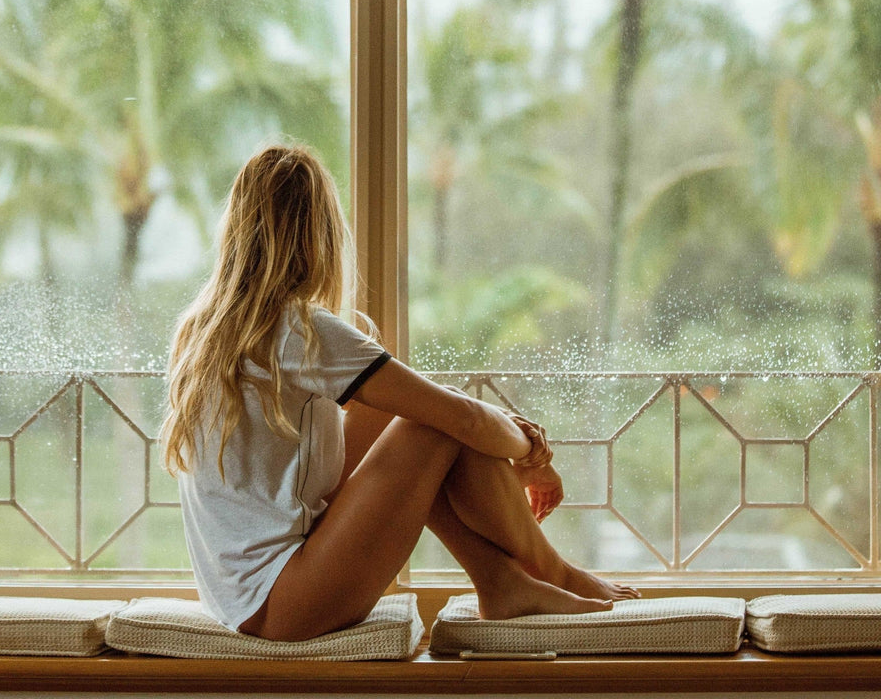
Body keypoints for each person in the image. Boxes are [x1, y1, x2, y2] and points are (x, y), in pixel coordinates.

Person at [160, 143, 638, 642]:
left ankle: (502, 584)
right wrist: (533, 456)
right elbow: (465, 421)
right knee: (434, 423)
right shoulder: (298, 329)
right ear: (322, 234)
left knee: (401, 416)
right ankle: (553, 572)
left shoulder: (203, 329)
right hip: (284, 605)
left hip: (241, 598)